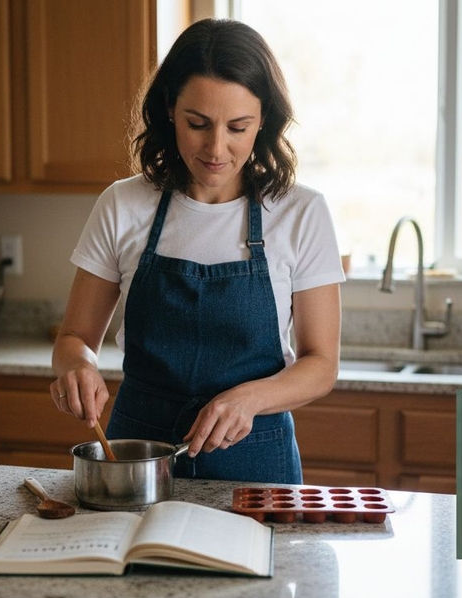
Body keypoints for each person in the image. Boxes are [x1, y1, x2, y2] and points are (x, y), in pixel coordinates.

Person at [51, 19, 343, 484]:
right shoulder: (123, 204)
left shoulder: (300, 212)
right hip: (138, 459)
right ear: (170, 109)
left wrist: (248, 399)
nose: (216, 148)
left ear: (264, 119)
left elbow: (321, 364)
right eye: (197, 124)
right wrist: (77, 368)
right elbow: (74, 338)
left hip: (256, 462)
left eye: (238, 127)